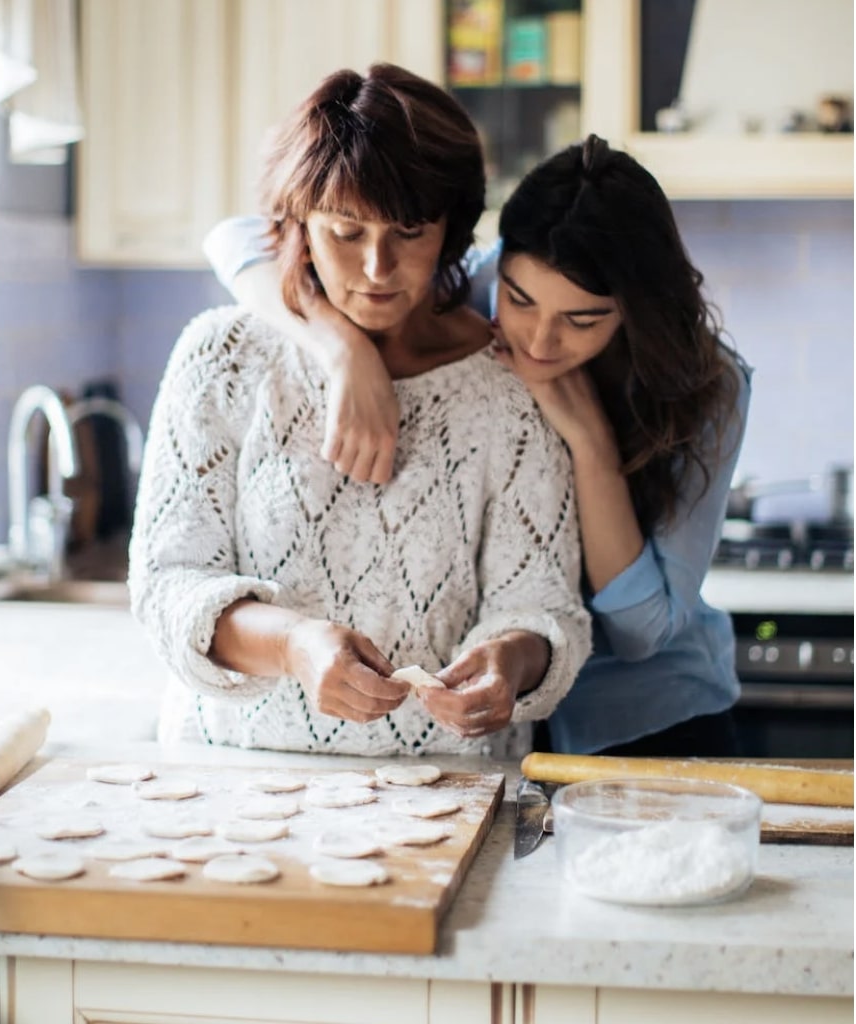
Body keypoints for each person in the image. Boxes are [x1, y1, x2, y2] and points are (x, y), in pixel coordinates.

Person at [204, 134, 752, 758]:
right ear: (499, 263)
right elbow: (237, 240)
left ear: (633, 310)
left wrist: (590, 444)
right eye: (519, 301)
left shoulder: (709, 386)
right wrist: (343, 352)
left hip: (645, 717)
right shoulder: (468, 286)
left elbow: (641, 632)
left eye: (583, 319)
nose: (540, 341)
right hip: (499, 728)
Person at [128, 63, 591, 759]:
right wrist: (292, 645)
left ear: (452, 230)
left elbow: (546, 605)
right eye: (346, 232)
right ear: (298, 225)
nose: (378, 268)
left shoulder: (509, 386)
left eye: (409, 232)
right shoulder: (222, 358)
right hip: (233, 783)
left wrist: (510, 661)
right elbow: (167, 584)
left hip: (449, 788)